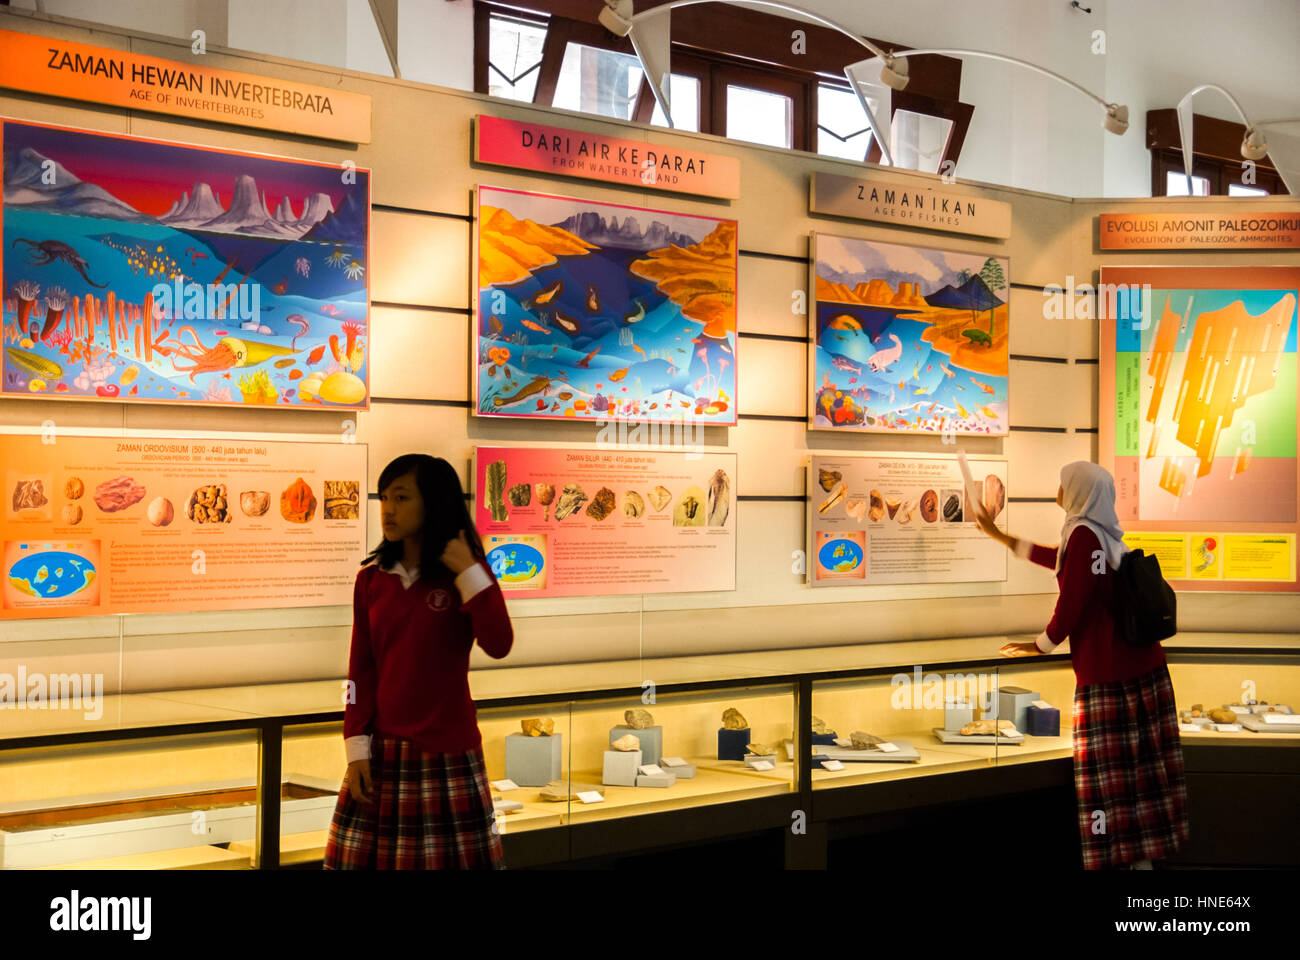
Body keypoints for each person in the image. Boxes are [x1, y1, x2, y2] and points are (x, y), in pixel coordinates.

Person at [975, 461, 1188, 870]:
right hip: (1136, 670)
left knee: (1112, 780)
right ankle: (1139, 861)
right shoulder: (1095, 532)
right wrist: (1001, 536)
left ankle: (1128, 863)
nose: (1058, 489)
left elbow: (1073, 599)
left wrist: (1040, 645)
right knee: (1137, 777)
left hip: (1112, 677)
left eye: (1063, 484)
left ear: (1080, 492)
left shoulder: (1087, 535)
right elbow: (1058, 561)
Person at [324, 454, 514, 869]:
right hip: (383, 755)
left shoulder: (464, 575)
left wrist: (468, 570)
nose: (388, 509)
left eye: (402, 497)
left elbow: (499, 643)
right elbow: (361, 669)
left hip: (448, 750)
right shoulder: (373, 578)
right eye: (385, 498)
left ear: (434, 502)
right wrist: (355, 746)